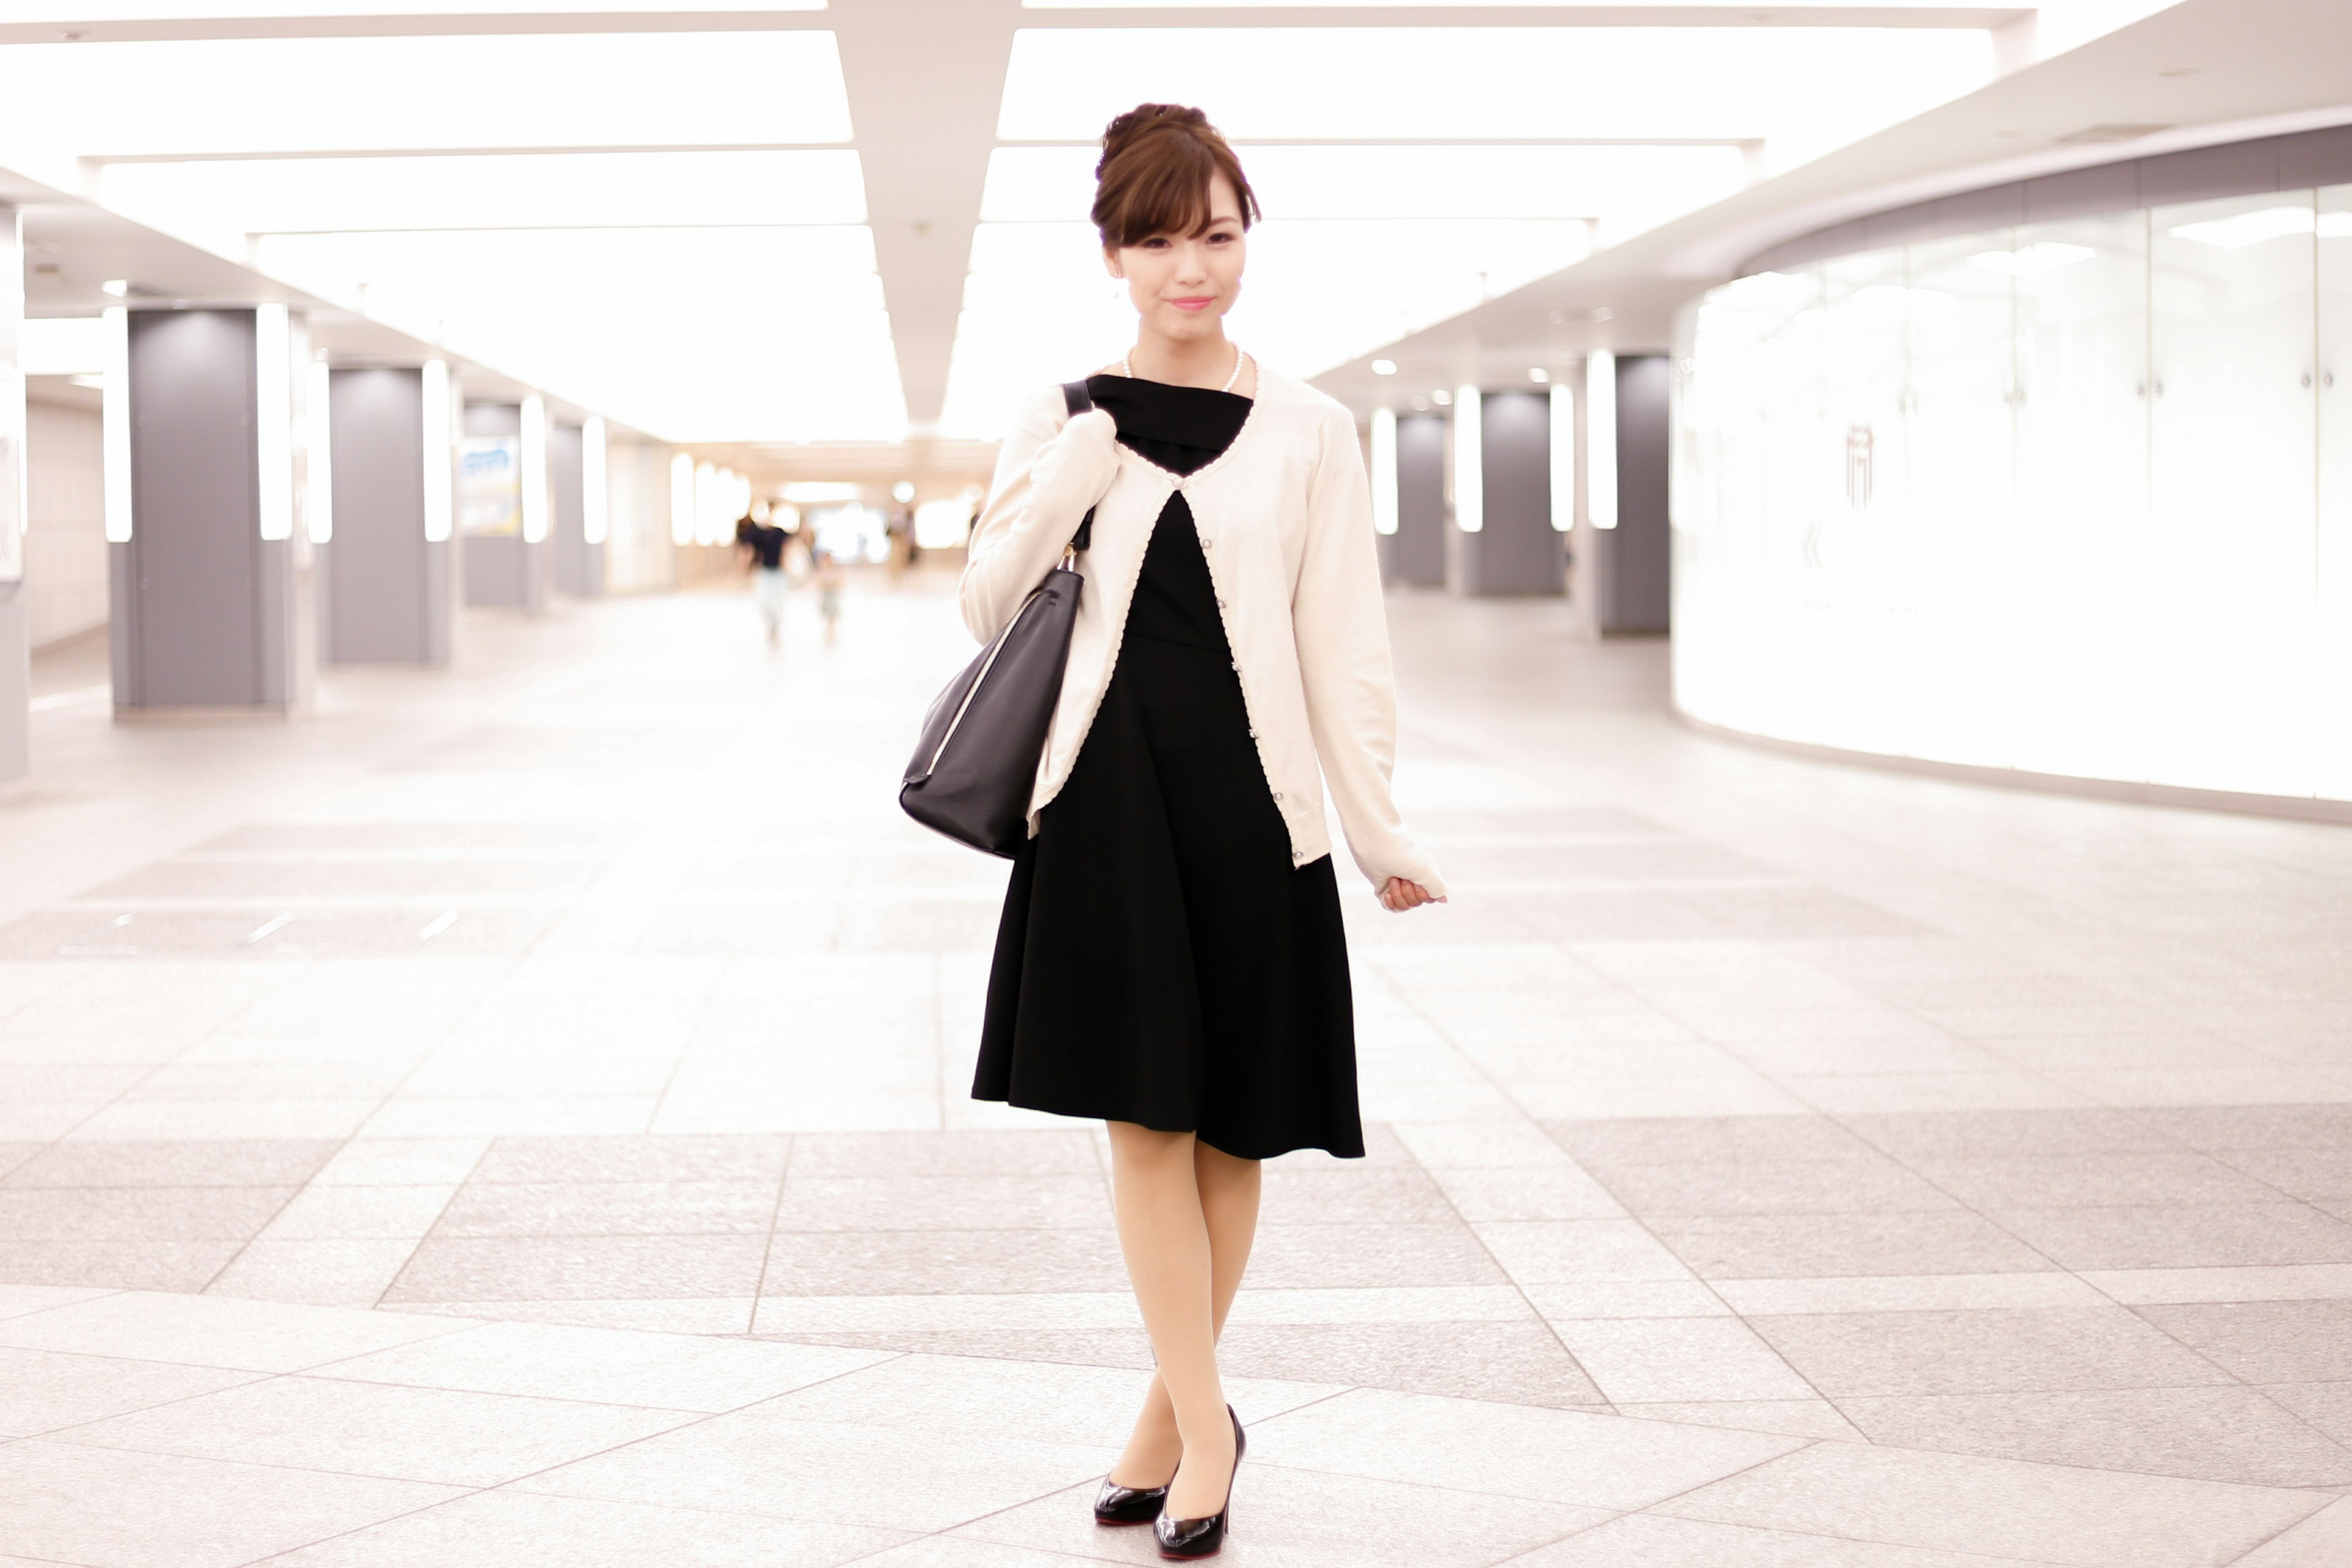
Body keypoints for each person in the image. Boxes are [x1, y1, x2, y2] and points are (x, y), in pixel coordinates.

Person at [959, 104, 1446, 1559]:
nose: (1192, 266)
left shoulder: (1311, 427)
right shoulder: (1059, 417)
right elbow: (986, 604)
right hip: (1104, 810)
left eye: (1217, 235)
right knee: (1144, 1113)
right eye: (1160, 239)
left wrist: (1375, 827)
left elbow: (1339, 641)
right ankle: (1204, 1428)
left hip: (1249, 810)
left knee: (1232, 1124)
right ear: (1112, 251)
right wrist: (1076, 470)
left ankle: (1170, 1422)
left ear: (1247, 238)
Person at [736, 513, 789, 647]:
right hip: (764, 572)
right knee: (764, 602)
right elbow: (749, 551)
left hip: (779, 573)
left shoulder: (780, 532)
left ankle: (775, 624)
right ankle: (771, 622)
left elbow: (789, 547)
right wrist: (744, 568)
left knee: (778, 602)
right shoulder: (757, 533)